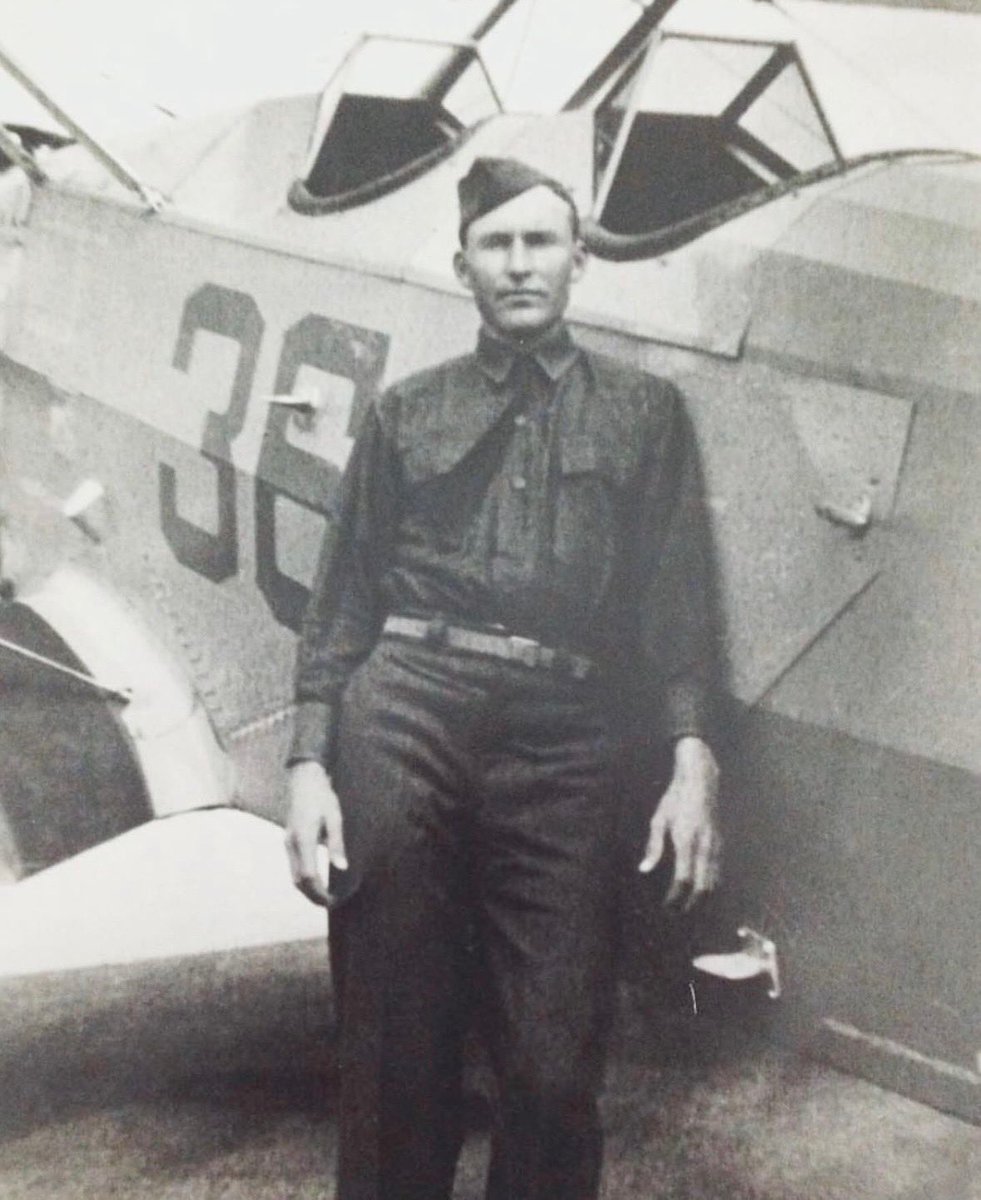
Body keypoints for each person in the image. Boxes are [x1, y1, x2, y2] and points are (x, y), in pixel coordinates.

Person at [285, 156, 721, 1200]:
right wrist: (309, 764)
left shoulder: (647, 413)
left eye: (539, 242)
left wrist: (694, 762)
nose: (519, 264)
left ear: (579, 260)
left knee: (556, 1064)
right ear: (462, 265)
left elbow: (679, 607)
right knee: (395, 1055)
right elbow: (342, 601)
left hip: (570, 740)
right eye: (496, 244)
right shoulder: (406, 413)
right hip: (407, 719)